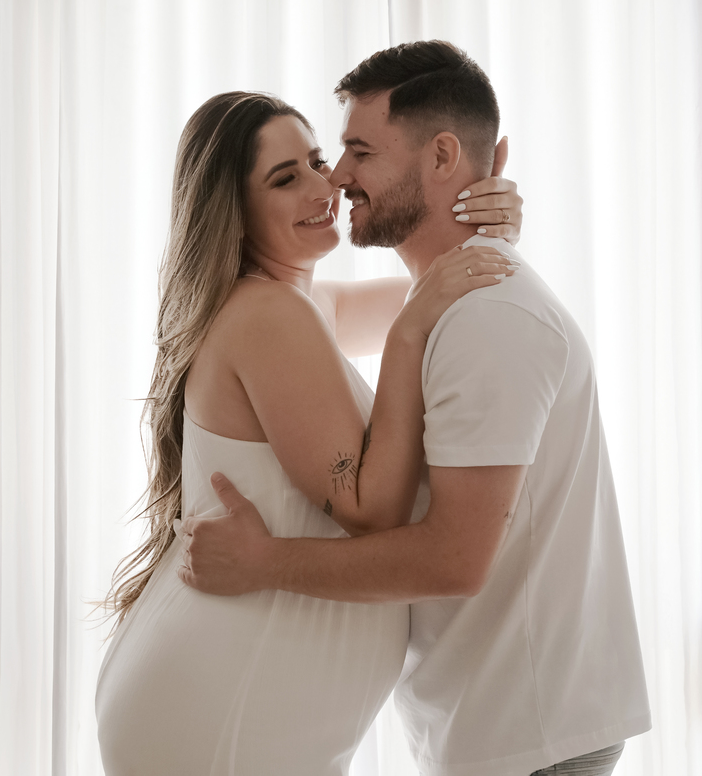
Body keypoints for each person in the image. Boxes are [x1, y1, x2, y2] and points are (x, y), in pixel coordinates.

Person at [179, 41, 651, 776]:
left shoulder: (486, 317)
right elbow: (411, 305)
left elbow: (453, 557)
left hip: (525, 735)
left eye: (354, 153)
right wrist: (485, 230)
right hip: (495, 728)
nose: (336, 178)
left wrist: (265, 562)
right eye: (301, 169)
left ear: (440, 157)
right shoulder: (430, 307)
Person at [94, 90, 523, 775]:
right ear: (234, 212)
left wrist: (488, 224)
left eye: (318, 162)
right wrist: (409, 336)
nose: (325, 188)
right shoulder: (268, 316)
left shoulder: (301, 304)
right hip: (225, 709)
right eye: (284, 178)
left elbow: (449, 284)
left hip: (236, 700)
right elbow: (370, 509)